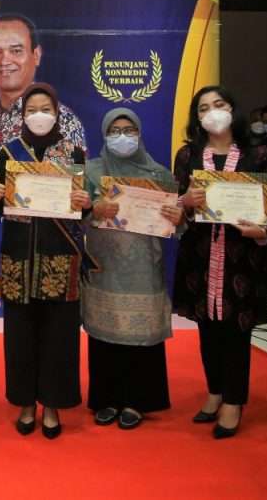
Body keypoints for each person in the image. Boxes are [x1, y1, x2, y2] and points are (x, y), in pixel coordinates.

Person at [0, 83, 90, 439]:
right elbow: (0, 205)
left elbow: (79, 209)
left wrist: (84, 203)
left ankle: (52, 406)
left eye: (45, 109)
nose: (39, 115)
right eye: (31, 110)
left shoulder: (73, 152)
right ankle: (26, 403)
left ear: (57, 113)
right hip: (18, 257)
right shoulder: (9, 152)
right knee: (20, 335)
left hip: (60, 255)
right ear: (22, 115)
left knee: (59, 335)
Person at [173, 85, 267, 440]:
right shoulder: (188, 155)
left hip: (241, 256)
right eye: (203, 108)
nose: (212, 112)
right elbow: (177, 207)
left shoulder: (258, 154)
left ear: (232, 109)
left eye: (219, 104)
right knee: (207, 328)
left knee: (236, 330)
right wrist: (185, 201)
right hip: (199, 255)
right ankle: (215, 390)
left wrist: (261, 230)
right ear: (196, 117)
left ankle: (233, 400)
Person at [81, 109, 182, 430]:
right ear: (104, 134)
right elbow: (76, 214)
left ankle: (138, 400)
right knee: (105, 332)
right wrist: (93, 209)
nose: (122, 136)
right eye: (114, 130)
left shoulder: (159, 173)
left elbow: (176, 224)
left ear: (139, 133)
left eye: (129, 129)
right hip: (104, 264)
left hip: (144, 265)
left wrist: (178, 217)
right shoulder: (91, 171)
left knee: (141, 335)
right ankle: (106, 398)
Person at [0, 14, 87, 189]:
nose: (5, 61)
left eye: (16, 51)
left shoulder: (64, 120)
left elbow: (71, 189)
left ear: (36, 55)